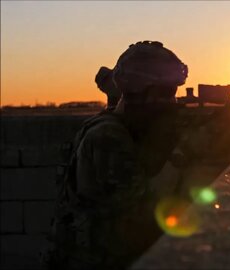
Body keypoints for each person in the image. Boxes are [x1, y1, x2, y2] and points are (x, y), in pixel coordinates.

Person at [45, 41, 189, 270]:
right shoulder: (107, 136)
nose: (171, 101)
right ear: (144, 90)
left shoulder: (118, 125)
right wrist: (183, 158)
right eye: (167, 91)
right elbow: (142, 217)